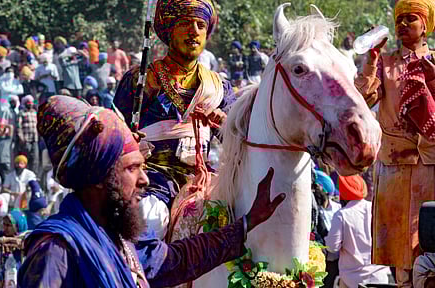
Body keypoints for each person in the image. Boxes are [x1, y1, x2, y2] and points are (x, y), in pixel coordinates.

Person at [18, 94, 285, 287]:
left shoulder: (121, 240)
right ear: (99, 178)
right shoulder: (55, 250)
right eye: (132, 168)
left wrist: (248, 222)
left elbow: (176, 259)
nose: (145, 179)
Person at [113, 0, 236, 240]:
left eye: (201, 25)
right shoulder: (142, 78)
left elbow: (239, 136)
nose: (194, 31)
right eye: (185, 23)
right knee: (149, 221)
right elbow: (114, 129)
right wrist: (127, 140)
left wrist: (224, 120)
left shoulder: (220, 87)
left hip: (204, 180)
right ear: (169, 31)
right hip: (153, 180)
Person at [354, 0, 435, 287]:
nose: (402, 24)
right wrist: (370, 62)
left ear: (425, 25)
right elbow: (362, 96)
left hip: (430, 162)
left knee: (427, 237)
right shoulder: (384, 62)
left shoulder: (434, 62)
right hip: (395, 163)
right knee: (399, 243)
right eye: (399, 19)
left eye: (410, 18)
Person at [325, 175, 391, 288]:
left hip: (352, 280)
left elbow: (332, 247)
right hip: (380, 278)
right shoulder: (377, 209)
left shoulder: (342, 215)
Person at [17, 95, 39, 173]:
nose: (30, 104)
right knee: (26, 158)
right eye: (28, 103)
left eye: (31, 103)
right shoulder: (22, 113)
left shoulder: (35, 113)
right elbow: (18, 126)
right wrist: (21, 137)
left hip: (35, 139)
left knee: (35, 159)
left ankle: (34, 176)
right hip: (26, 139)